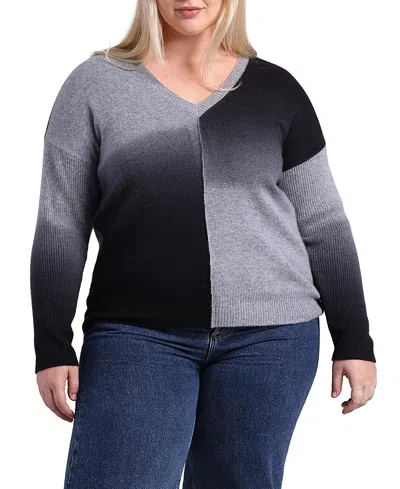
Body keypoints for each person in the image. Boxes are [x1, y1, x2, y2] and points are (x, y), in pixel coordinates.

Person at [30, 1, 377, 488]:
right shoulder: (95, 85)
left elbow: (324, 223)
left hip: (272, 338)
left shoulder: (276, 90)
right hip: (138, 335)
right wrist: (51, 344)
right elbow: (60, 223)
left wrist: (354, 339)